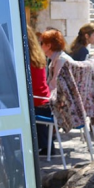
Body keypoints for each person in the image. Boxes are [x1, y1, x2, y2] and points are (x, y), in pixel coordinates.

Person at [28, 26, 55, 156]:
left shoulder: (25, 58)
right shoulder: (38, 55)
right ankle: (47, 146)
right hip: (45, 98)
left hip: (37, 100)